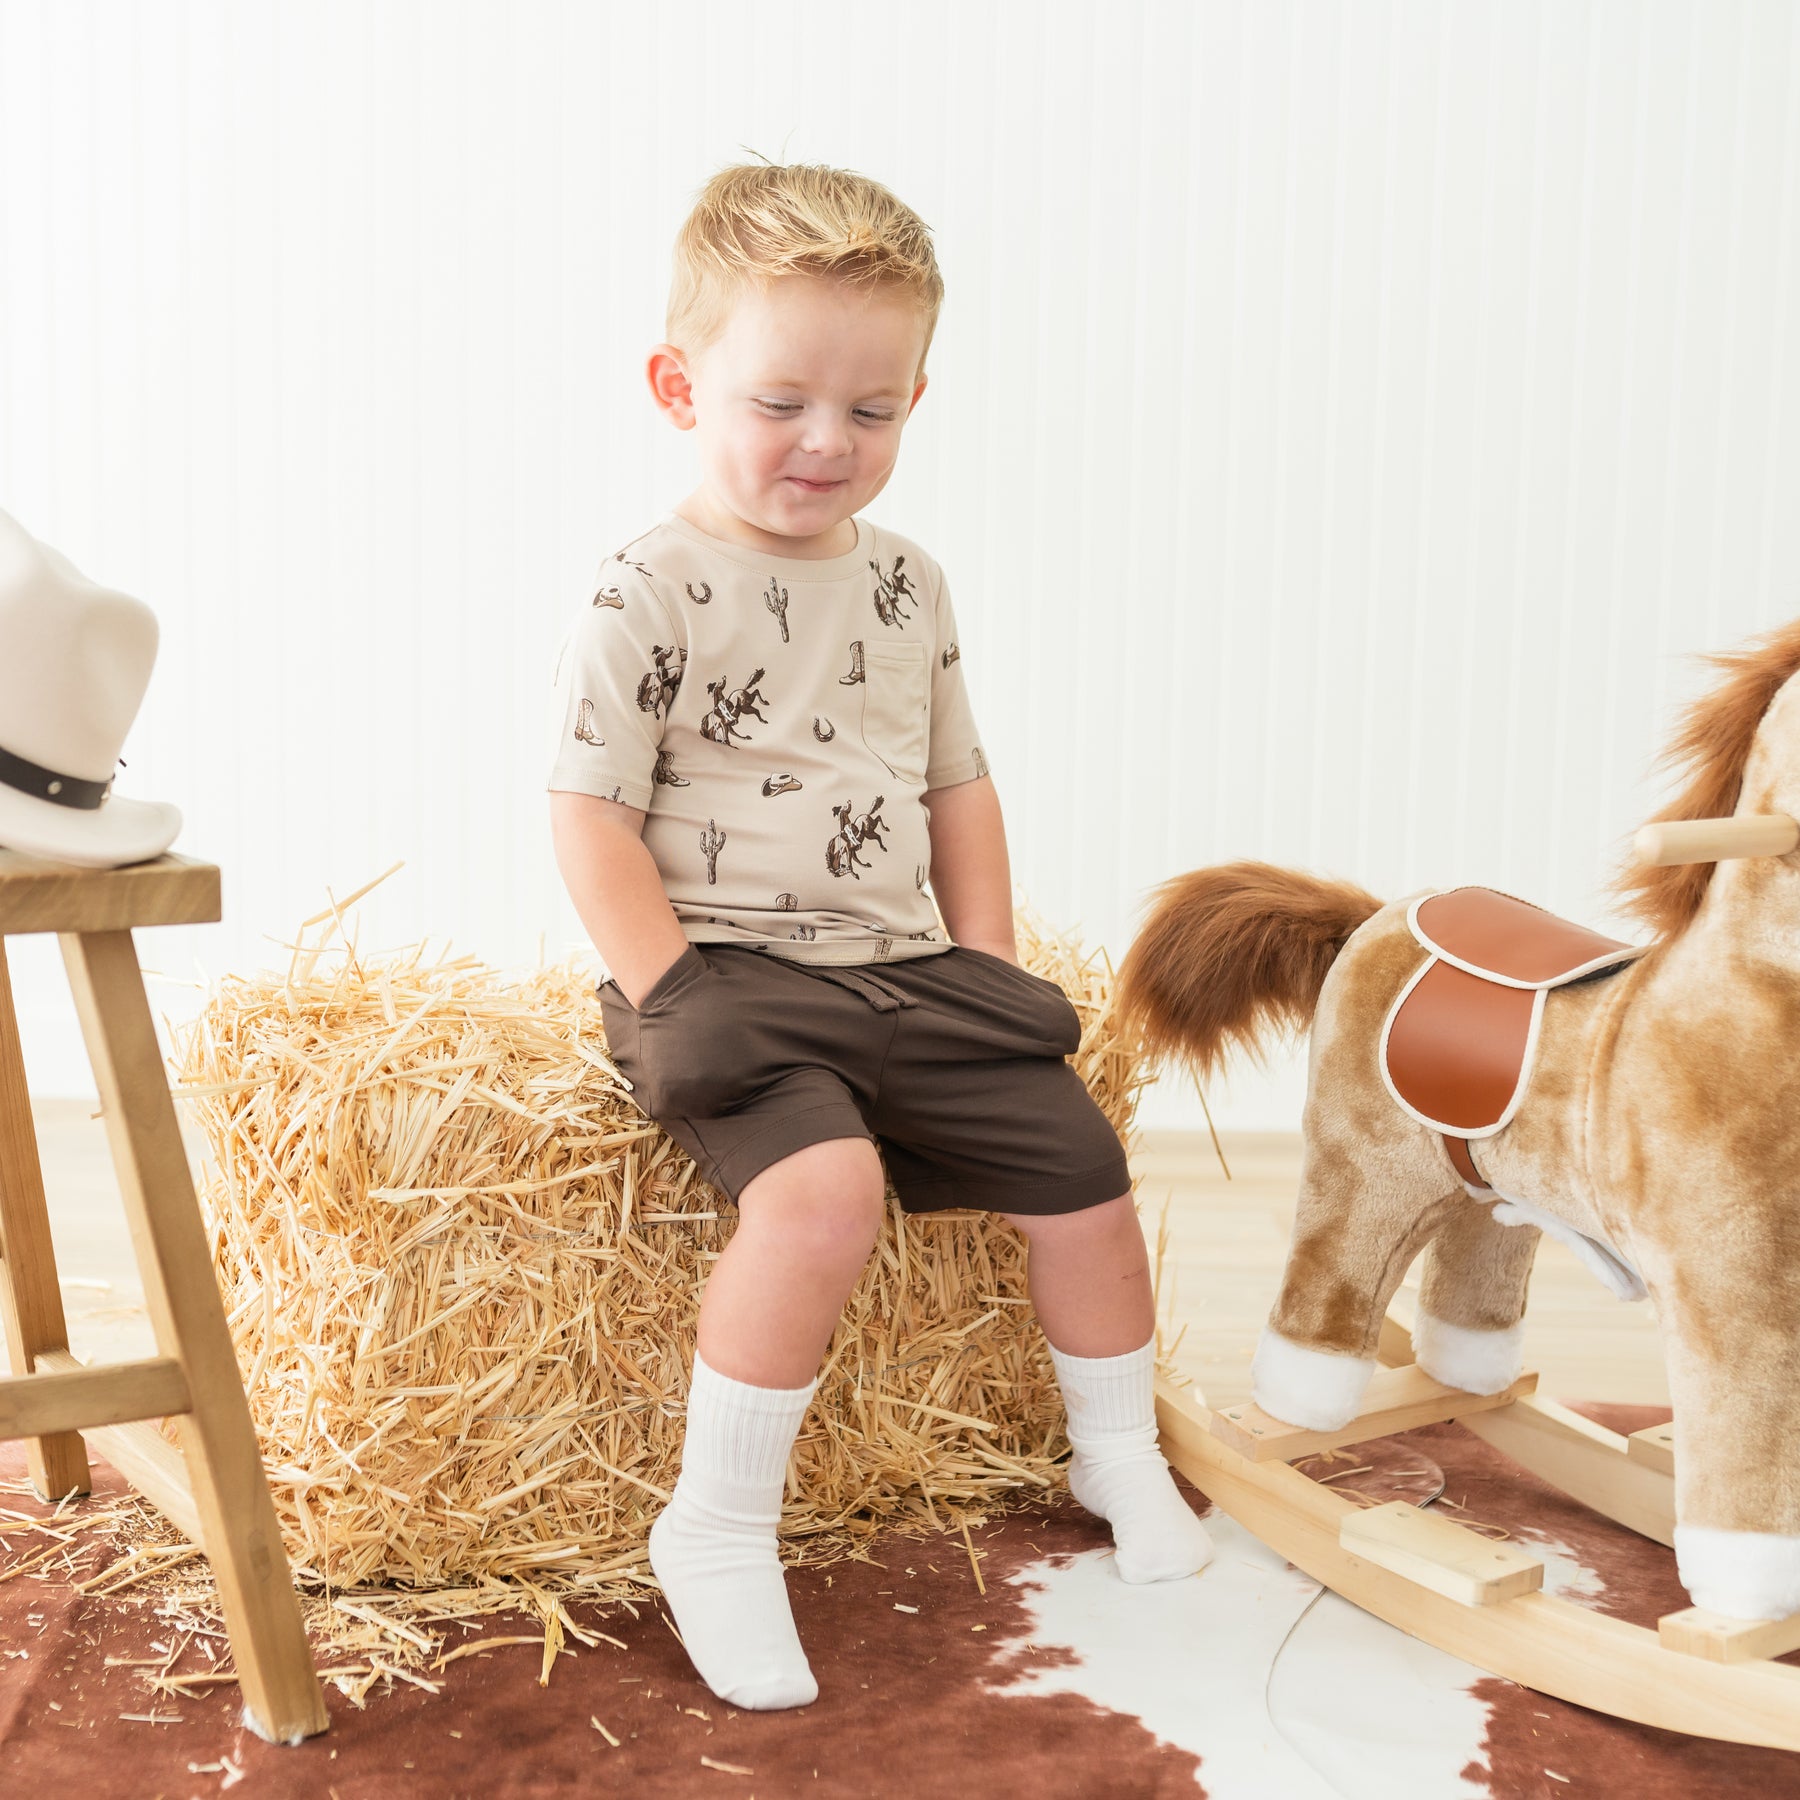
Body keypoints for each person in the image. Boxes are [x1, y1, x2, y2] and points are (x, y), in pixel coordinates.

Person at [546, 160, 1213, 1712]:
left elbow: (955, 784)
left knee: (1086, 1172)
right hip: (721, 973)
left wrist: (982, 959)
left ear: (918, 395)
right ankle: (714, 1527)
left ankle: (1118, 1458)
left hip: (906, 971)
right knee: (826, 1193)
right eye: (780, 403)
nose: (828, 445)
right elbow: (587, 815)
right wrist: (671, 986)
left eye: (875, 411)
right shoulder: (649, 586)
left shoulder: (912, 585)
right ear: (678, 384)